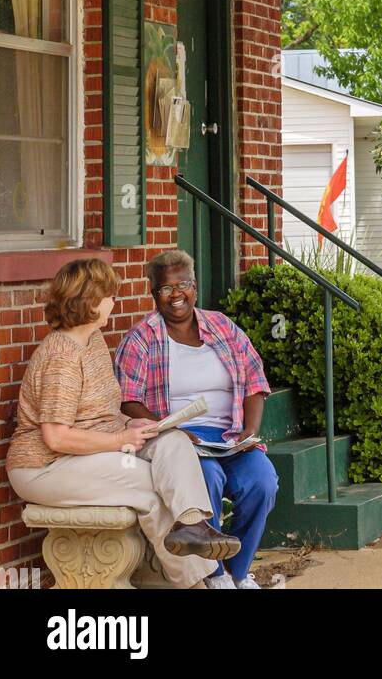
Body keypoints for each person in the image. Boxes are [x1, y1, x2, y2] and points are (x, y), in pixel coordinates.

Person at [7, 258, 239, 589]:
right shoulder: (62, 356)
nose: (114, 302)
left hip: (90, 451)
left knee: (174, 442)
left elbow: (100, 413)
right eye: (109, 295)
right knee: (150, 484)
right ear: (89, 302)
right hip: (45, 467)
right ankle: (197, 583)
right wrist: (120, 441)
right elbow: (55, 437)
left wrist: (135, 425)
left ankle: (193, 525)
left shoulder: (93, 341)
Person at [115, 249, 279, 591]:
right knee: (208, 480)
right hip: (181, 439)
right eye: (165, 288)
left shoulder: (222, 326)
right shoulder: (142, 338)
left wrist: (250, 430)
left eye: (183, 284)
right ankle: (214, 574)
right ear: (154, 294)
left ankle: (238, 572)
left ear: (195, 286)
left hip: (230, 433)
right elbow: (128, 399)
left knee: (262, 483)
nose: (176, 294)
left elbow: (254, 379)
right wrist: (169, 427)